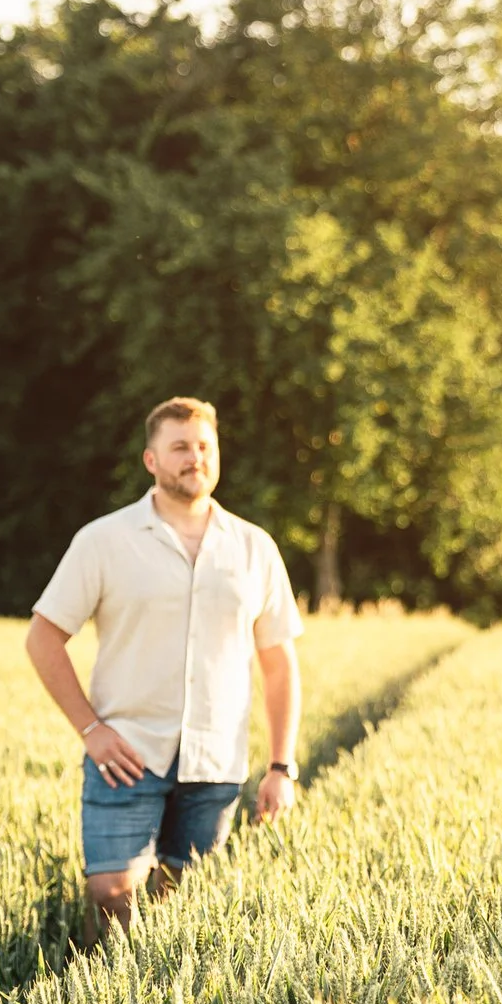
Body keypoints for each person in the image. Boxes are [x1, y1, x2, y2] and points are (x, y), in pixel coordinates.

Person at [24, 396, 305, 935]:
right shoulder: (103, 540)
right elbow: (43, 639)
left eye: (205, 446)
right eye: (179, 447)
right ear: (151, 460)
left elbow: (279, 663)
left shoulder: (255, 548)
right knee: (110, 894)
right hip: (127, 753)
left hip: (217, 763)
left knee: (181, 904)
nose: (194, 457)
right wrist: (91, 729)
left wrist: (280, 766)